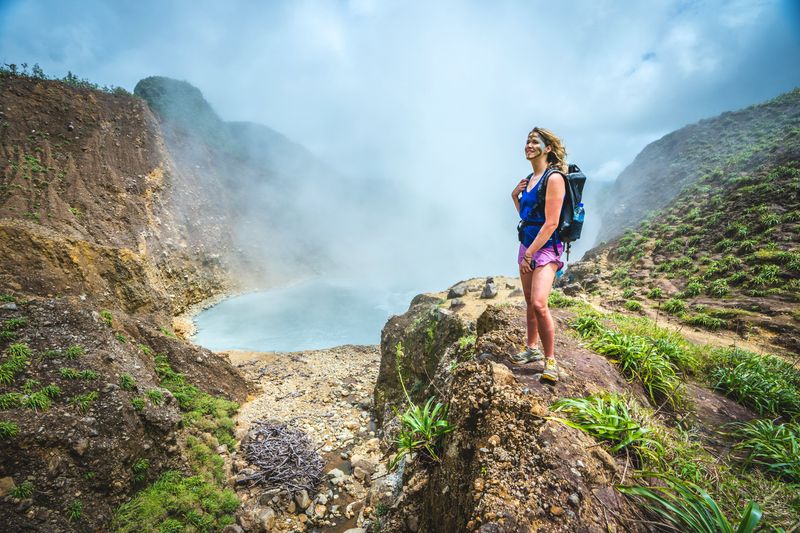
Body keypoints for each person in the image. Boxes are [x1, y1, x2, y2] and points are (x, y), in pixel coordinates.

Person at [509, 127, 567, 383]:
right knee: (530, 299)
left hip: (545, 249)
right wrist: (514, 197)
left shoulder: (554, 179)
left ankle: (550, 360)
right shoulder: (531, 179)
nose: (529, 145)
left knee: (539, 304)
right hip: (527, 245)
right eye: (527, 141)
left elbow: (551, 223)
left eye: (535, 142)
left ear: (548, 148)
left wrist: (530, 253)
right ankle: (532, 348)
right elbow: (527, 217)